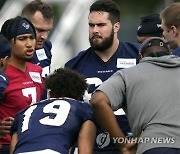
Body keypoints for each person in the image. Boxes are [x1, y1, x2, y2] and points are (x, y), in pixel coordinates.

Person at [65, 0, 140, 153]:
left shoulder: (139, 56)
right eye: (91, 25)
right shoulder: (73, 66)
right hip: (92, 148)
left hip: (134, 146)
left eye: (101, 25)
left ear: (116, 26)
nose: (95, 30)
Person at [91, 37, 180, 154]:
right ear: (170, 53)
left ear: (141, 56)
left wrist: (123, 145)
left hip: (155, 146)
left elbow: (98, 100)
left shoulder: (126, 75)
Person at [10, 68, 96, 154]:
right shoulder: (83, 109)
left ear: (50, 93)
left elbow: (13, 147)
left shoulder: (24, 112)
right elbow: (85, 151)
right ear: (79, 95)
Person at [0, 16, 44, 154]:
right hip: (6, 147)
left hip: (34, 144)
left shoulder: (37, 70)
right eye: (22, 38)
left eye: (31, 37)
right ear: (9, 43)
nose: (29, 44)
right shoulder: (2, 74)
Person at [21, 0, 54, 78]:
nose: (44, 37)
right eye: (40, 30)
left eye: (48, 31)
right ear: (24, 24)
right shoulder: (8, 52)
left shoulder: (46, 46)